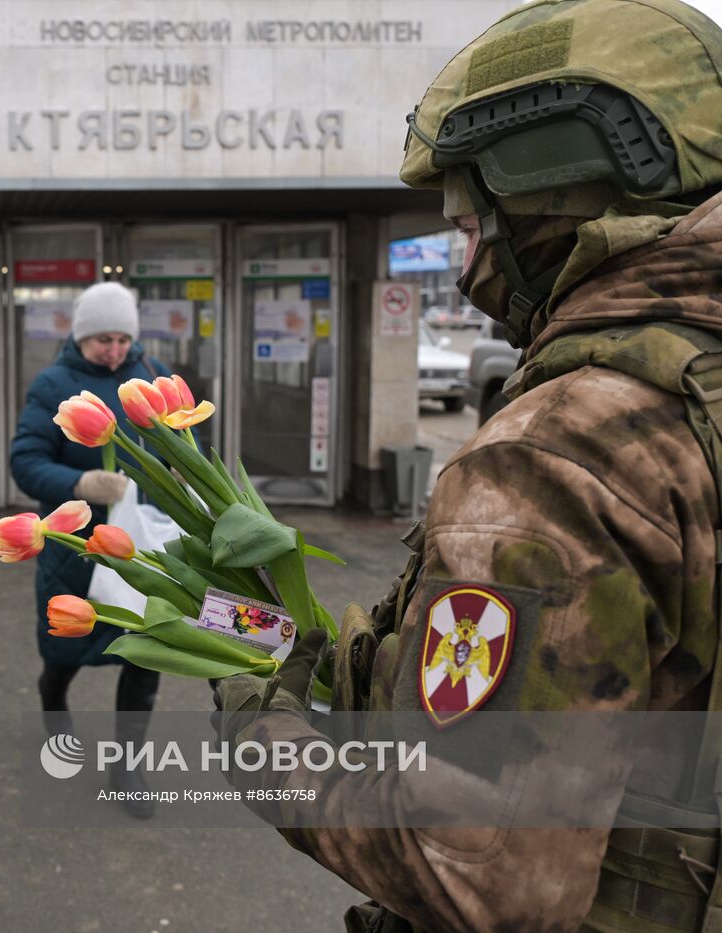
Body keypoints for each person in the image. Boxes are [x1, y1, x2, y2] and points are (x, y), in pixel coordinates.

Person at [211, 1, 722, 929]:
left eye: (467, 217)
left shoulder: (561, 452)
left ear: (548, 190)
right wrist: (363, 665)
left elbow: (467, 868)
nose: (463, 264)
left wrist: (263, 732)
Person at [10, 280, 172, 819]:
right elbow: (25, 461)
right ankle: (53, 702)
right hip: (74, 546)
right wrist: (79, 485)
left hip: (138, 548)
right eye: (103, 338)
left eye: (123, 338)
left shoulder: (148, 377)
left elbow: (173, 446)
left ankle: (128, 766)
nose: (114, 350)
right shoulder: (53, 383)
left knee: (148, 650)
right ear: (81, 336)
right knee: (64, 651)